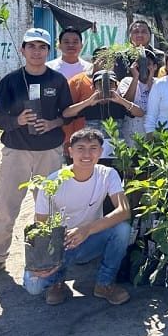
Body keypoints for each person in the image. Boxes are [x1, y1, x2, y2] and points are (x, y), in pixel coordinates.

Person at [0, 28, 73, 284]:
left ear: (48, 52)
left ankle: (49, 260)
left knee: (50, 208)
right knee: (6, 207)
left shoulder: (57, 80)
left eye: (42, 47)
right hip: (16, 151)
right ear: (23, 50)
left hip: (49, 152)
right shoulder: (11, 81)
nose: (37, 52)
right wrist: (17, 120)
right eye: (32, 47)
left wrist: (53, 124)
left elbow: (68, 113)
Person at [22, 128, 131, 306]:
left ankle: (104, 284)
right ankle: (56, 283)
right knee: (34, 287)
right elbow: (40, 224)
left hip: (90, 239)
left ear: (101, 152)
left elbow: (124, 210)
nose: (87, 154)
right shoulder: (52, 182)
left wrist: (87, 229)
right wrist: (47, 255)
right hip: (61, 244)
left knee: (123, 229)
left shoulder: (107, 174)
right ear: (70, 151)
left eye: (93, 148)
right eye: (80, 148)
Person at [64, 47, 144, 159]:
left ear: (116, 86)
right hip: (93, 152)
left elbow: (140, 113)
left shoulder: (119, 104)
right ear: (93, 87)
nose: (105, 87)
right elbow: (66, 113)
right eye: (100, 84)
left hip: (116, 152)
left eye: (110, 84)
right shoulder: (90, 105)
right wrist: (88, 101)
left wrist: (121, 100)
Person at [118, 49, 159, 145]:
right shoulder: (127, 81)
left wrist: (150, 80)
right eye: (140, 65)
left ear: (155, 66)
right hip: (132, 133)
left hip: (153, 133)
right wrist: (135, 77)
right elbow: (127, 101)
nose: (144, 68)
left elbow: (158, 103)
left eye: (147, 64)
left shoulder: (159, 83)